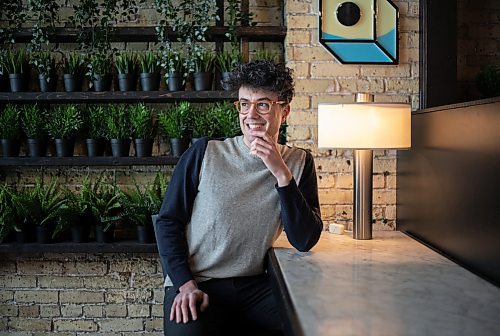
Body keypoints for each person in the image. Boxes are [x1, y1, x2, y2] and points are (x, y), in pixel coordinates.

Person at [155, 60, 323, 336]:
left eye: (263, 104)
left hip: (256, 286)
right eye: (244, 104)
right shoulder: (205, 153)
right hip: (198, 282)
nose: (251, 114)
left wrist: (280, 172)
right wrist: (184, 285)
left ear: (285, 111)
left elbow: (304, 240)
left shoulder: (299, 162)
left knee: (309, 327)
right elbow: (167, 222)